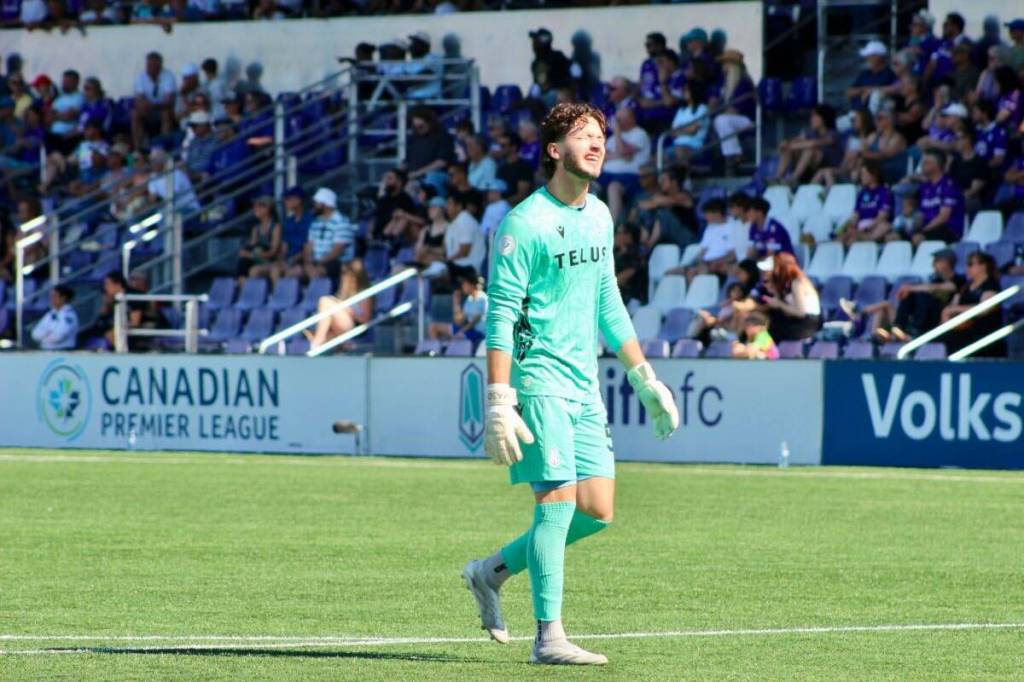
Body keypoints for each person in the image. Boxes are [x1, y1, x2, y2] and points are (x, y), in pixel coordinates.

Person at [462, 102, 679, 666]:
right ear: (554, 150)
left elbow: (608, 300)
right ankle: (549, 638)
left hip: (586, 384)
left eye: (602, 135)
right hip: (538, 382)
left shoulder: (601, 215)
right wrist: (499, 399)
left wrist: (645, 376)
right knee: (555, 503)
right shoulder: (523, 224)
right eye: (585, 135)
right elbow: (501, 314)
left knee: (597, 511)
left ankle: (491, 572)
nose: (599, 142)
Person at [842, 248, 961, 341]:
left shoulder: (958, 280)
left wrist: (912, 288)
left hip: (935, 321)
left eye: (937, 261)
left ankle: (860, 313)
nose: (933, 264)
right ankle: (894, 329)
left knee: (921, 293)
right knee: (887, 305)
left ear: (946, 262)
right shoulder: (934, 279)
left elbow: (941, 288)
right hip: (916, 319)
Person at [942, 251, 1005, 357]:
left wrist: (953, 310)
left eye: (971, 264)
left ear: (983, 266)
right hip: (960, 331)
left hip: (982, 333)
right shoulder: (965, 287)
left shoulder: (991, 285)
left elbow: (985, 308)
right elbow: (953, 305)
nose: (967, 268)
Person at [290, 187, 355, 282]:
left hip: (338, 264)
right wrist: (309, 263)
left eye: (316, 203)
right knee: (293, 272)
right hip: (316, 262)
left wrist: (318, 263)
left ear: (325, 204)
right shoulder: (316, 222)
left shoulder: (342, 222)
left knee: (316, 273)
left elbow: (337, 251)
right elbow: (309, 246)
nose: (314, 206)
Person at [307, 260, 374, 352]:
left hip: (355, 327)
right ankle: (322, 339)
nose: (343, 276)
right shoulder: (343, 292)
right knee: (326, 304)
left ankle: (319, 340)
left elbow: (365, 320)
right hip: (341, 325)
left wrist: (347, 308)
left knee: (326, 301)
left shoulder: (365, 294)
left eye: (346, 273)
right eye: (342, 273)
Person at [598, 106, 650, 224]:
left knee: (613, 187)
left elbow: (625, 155)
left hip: (630, 177)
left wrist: (617, 133)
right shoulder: (613, 138)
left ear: (630, 119)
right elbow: (603, 156)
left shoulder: (640, 134)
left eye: (619, 119)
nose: (616, 122)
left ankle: (613, 229)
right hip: (607, 175)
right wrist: (620, 153)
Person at [772, 104, 843, 185]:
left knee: (809, 149)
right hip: (810, 167)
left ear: (823, 118)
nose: (811, 119)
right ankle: (777, 177)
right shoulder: (810, 132)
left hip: (826, 166)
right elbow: (796, 140)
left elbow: (813, 143)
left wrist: (792, 146)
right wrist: (786, 143)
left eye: (814, 116)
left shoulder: (833, 134)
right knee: (788, 149)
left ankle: (794, 179)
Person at [760, 252, 821, 342]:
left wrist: (779, 304)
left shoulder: (798, 283)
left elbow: (800, 312)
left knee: (771, 330)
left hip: (807, 323)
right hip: (797, 320)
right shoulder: (788, 283)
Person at [711, 49, 757, 166]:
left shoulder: (744, 83)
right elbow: (712, 102)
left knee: (721, 120)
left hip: (746, 120)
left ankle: (734, 155)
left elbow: (735, 110)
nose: (723, 66)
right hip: (727, 119)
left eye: (726, 63)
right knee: (719, 120)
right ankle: (730, 156)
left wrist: (718, 109)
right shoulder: (722, 82)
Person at [672, 198, 734, 280]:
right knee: (671, 273)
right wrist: (697, 262)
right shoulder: (710, 227)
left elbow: (732, 254)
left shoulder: (732, 227)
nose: (705, 217)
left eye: (707, 214)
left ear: (717, 213)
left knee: (693, 273)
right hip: (705, 263)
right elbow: (703, 251)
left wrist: (715, 262)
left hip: (718, 264)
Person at [812, 108, 874, 187]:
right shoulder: (852, 138)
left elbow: (865, 155)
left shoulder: (871, 137)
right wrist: (842, 169)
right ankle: (807, 193)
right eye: (853, 120)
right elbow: (846, 157)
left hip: (858, 169)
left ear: (864, 120)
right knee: (822, 171)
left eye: (856, 119)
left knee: (828, 172)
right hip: (846, 169)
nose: (853, 121)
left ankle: (831, 194)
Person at [915, 150, 965, 245]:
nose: (922, 165)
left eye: (926, 162)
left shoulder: (948, 185)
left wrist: (923, 231)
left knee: (920, 239)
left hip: (947, 230)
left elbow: (943, 217)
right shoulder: (924, 187)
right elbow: (922, 214)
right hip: (929, 229)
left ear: (936, 165)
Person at [838, 164, 894, 246]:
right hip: (861, 226)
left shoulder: (884, 192)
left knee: (885, 226)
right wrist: (851, 225)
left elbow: (882, 216)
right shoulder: (862, 193)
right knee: (845, 237)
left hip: (875, 226)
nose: (861, 177)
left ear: (873, 175)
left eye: (864, 174)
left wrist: (868, 228)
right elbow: (856, 214)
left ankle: (867, 238)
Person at [429, 269, 488, 345]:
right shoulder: (469, 299)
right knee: (433, 327)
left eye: (464, 284)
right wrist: (456, 303)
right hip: (468, 330)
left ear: (472, 285)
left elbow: (473, 322)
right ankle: (435, 353)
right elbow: (459, 321)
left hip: (479, 333)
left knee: (457, 338)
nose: (462, 286)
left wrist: (460, 332)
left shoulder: (483, 299)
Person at [132, 52, 176, 150]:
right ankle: (138, 148)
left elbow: (169, 101)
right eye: (147, 65)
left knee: (166, 113)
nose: (148, 67)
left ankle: (164, 146)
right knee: (135, 114)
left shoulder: (168, 77)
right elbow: (139, 98)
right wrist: (145, 105)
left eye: (151, 65)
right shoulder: (141, 77)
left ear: (159, 65)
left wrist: (152, 105)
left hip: (162, 109)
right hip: (148, 110)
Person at [236, 197, 283, 282]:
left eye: (259, 206)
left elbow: (273, 252)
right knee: (243, 261)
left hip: (270, 261)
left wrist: (252, 255)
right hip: (257, 260)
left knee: (254, 270)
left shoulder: (276, 227)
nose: (255, 209)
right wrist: (246, 253)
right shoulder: (256, 229)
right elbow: (252, 247)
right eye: (255, 206)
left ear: (268, 209)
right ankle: (241, 282)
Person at [405, 107, 456, 184]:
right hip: (414, 177)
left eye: (421, 127)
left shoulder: (443, 137)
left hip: (435, 177)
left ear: (430, 123)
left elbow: (442, 162)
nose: (418, 130)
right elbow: (407, 160)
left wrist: (417, 173)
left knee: (431, 178)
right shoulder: (414, 138)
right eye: (415, 127)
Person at [846, 41, 898, 111]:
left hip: (878, 114)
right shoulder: (865, 74)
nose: (867, 58)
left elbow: (896, 89)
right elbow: (849, 93)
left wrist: (872, 91)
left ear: (878, 57)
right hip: (857, 112)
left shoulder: (890, 73)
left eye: (870, 56)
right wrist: (864, 90)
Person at [668, 81, 708, 167]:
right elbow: (672, 132)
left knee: (679, 151)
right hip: (676, 145)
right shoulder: (681, 110)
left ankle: (685, 179)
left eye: (687, 90)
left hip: (694, 146)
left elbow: (693, 130)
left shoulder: (702, 108)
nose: (684, 92)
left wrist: (679, 130)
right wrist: (685, 129)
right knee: (656, 157)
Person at [31, 285, 78, 350]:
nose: (51, 299)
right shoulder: (50, 314)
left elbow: (57, 337)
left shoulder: (69, 316)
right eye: (51, 296)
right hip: (46, 351)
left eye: (54, 296)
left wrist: (43, 337)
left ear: (63, 298)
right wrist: (48, 333)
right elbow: (35, 334)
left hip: (63, 352)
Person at [496, 132, 536, 206]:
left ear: (513, 147)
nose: (500, 149)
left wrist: (502, 203)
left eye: (503, 146)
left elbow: (521, 196)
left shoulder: (524, 167)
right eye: (499, 145)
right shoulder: (501, 167)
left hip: (516, 209)